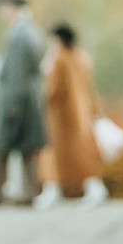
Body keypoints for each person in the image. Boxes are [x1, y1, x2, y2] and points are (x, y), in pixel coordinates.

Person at [0, 0, 47, 205]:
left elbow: (17, 73)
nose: (2, 13)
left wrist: (13, 106)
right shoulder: (32, 30)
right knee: (28, 150)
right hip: (28, 98)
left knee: (0, 148)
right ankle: (29, 193)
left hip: (16, 99)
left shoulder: (19, 35)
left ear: (13, 8)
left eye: (5, 8)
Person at [39, 23, 105, 205]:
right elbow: (90, 88)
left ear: (58, 40)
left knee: (53, 155)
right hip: (82, 115)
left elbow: (54, 91)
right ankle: (94, 188)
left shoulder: (58, 61)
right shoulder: (82, 58)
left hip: (60, 117)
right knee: (83, 153)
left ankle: (52, 190)